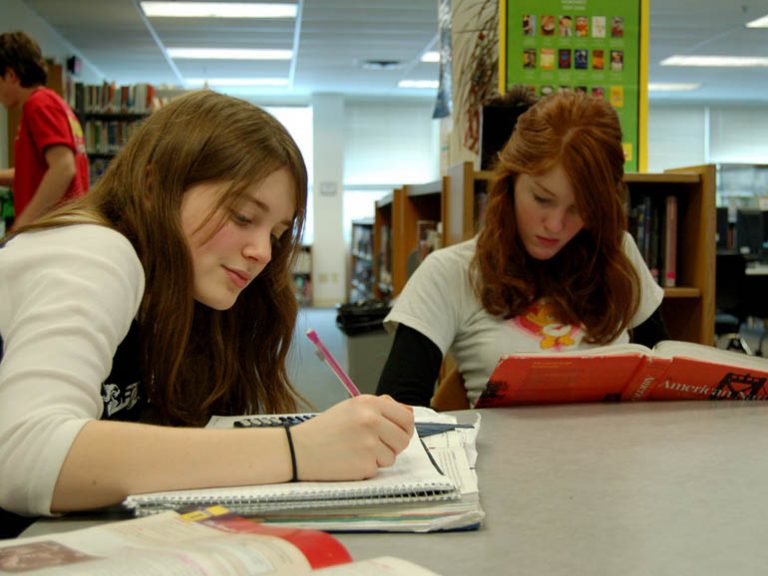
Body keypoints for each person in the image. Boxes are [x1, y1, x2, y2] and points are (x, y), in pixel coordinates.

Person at [0, 90, 414, 536]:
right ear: (153, 184)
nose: (261, 252)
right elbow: (22, 456)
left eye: (276, 233)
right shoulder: (93, 251)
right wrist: (295, 450)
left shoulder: (183, 290)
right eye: (241, 217)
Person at [376, 90, 668, 408]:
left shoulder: (617, 251)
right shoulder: (451, 271)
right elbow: (396, 410)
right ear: (510, 181)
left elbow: (667, 370)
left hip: (616, 453)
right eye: (542, 199)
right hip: (500, 457)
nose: (555, 225)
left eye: (579, 208)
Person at [0, 31, 89, 230]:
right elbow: (37, 171)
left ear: (10, 75)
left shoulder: (38, 105)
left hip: (53, 229)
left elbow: (63, 168)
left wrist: (23, 224)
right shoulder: (54, 103)